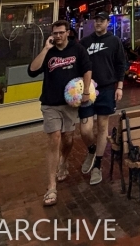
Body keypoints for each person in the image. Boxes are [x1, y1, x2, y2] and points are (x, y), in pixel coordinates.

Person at [28, 20, 92, 207]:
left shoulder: (77, 49)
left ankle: (64, 160)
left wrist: (86, 91)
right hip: (50, 103)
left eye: (61, 33)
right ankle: (51, 186)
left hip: (70, 103)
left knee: (68, 138)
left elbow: (87, 69)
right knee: (54, 137)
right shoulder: (49, 51)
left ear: (68, 33)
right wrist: (45, 49)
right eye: (54, 33)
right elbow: (32, 71)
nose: (57, 36)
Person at [78, 11, 127, 186]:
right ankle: (91, 150)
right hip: (87, 90)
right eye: (96, 20)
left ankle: (97, 165)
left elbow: (121, 64)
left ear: (107, 22)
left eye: (102, 20)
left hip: (107, 89)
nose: (98, 23)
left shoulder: (114, 42)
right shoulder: (85, 42)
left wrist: (119, 87)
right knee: (85, 129)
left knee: (103, 126)